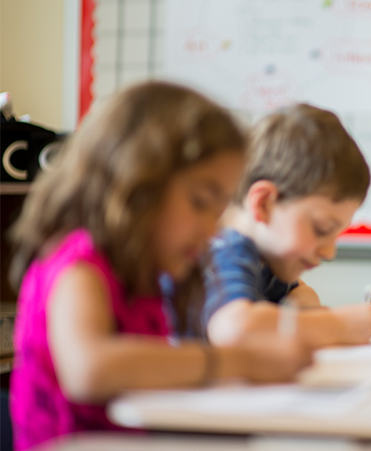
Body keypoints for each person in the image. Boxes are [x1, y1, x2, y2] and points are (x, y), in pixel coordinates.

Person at [9, 82, 312, 450]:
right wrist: (239, 360)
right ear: (137, 184)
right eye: (200, 202)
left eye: (217, 212)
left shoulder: (146, 273)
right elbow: (89, 370)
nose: (211, 228)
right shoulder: (79, 264)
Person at [203, 104, 371, 347]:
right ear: (265, 204)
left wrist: (296, 310)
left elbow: (303, 294)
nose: (329, 252)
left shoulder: (267, 258)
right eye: (321, 229)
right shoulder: (226, 248)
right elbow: (235, 328)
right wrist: (338, 325)